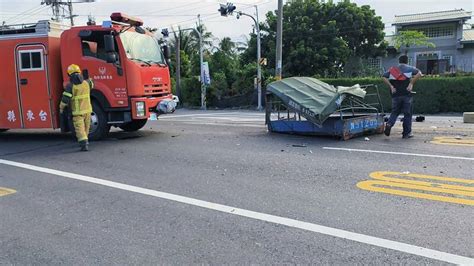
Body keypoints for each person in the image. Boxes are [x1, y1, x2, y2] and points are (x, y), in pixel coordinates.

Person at [382, 55, 422, 139]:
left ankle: (389, 124)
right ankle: (406, 133)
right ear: (407, 61)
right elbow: (419, 73)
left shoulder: (393, 69)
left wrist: (391, 86)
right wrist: (411, 83)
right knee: (407, 114)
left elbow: (383, 77)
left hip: (395, 94)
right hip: (406, 94)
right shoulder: (410, 68)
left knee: (394, 112)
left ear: (399, 61)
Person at [59, 64, 94, 151]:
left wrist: (61, 108)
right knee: (86, 127)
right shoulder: (86, 83)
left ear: (69, 74)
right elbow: (92, 85)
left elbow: (65, 99)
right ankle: (86, 141)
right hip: (88, 110)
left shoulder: (70, 86)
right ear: (79, 72)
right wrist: (88, 79)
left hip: (77, 112)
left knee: (79, 128)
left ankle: (83, 144)